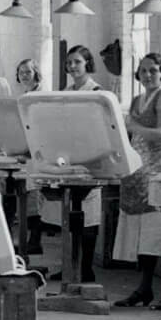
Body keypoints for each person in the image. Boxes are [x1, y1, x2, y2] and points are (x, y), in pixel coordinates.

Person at [113, 53, 161, 309]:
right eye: (143, 71)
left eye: (153, 70)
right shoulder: (137, 99)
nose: (147, 75)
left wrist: (132, 126)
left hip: (158, 167)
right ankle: (144, 288)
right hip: (137, 169)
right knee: (143, 233)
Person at [61, 44, 102, 282]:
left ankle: (85, 268)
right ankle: (70, 264)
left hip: (92, 155)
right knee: (69, 212)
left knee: (89, 214)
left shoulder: (97, 91)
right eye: (69, 63)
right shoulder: (66, 91)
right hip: (70, 155)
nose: (72, 66)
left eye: (77, 62)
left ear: (87, 63)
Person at [14, 58, 44, 253]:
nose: (24, 75)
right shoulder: (23, 94)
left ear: (35, 73)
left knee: (35, 198)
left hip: (38, 149)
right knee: (28, 196)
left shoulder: (40, 94)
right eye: (21, 72)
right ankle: (29, 240)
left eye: (28, 72)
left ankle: (35, 240)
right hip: (26, 149)